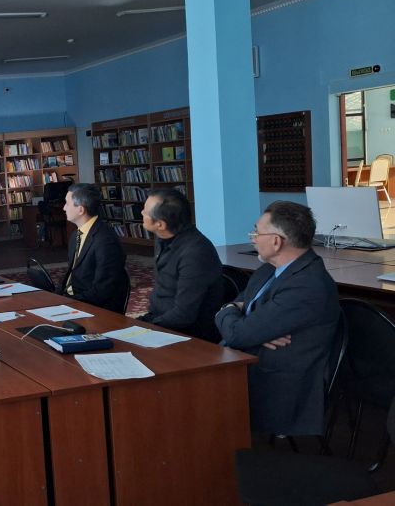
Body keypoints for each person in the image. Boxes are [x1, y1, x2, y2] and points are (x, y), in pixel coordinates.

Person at [215, 201, 340, 436]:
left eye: (256, 233)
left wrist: (234, 315)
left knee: (186, 399)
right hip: (245, 359)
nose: (253, 239)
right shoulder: (269, 270)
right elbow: (243, 310)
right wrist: (254, 326)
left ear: (276, 241)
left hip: (275, 382)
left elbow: (237, 333)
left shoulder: (307, 285)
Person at [138, 188, 222, 341]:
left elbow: (184, 315)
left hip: (190, 334)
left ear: (160, 225)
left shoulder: (195, 253)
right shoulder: (163, 237)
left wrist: (147, 327)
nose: (142, 213)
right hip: (160, 321)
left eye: (145, 211)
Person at [57, 183, 127, 313]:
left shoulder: (106, 240)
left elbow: (102, 291)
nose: (64, 208)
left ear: (81, 210)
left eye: (67, 203)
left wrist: (68, 302)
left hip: (95, 309)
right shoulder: (75, 235)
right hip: (74, 300)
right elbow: (73, 276)